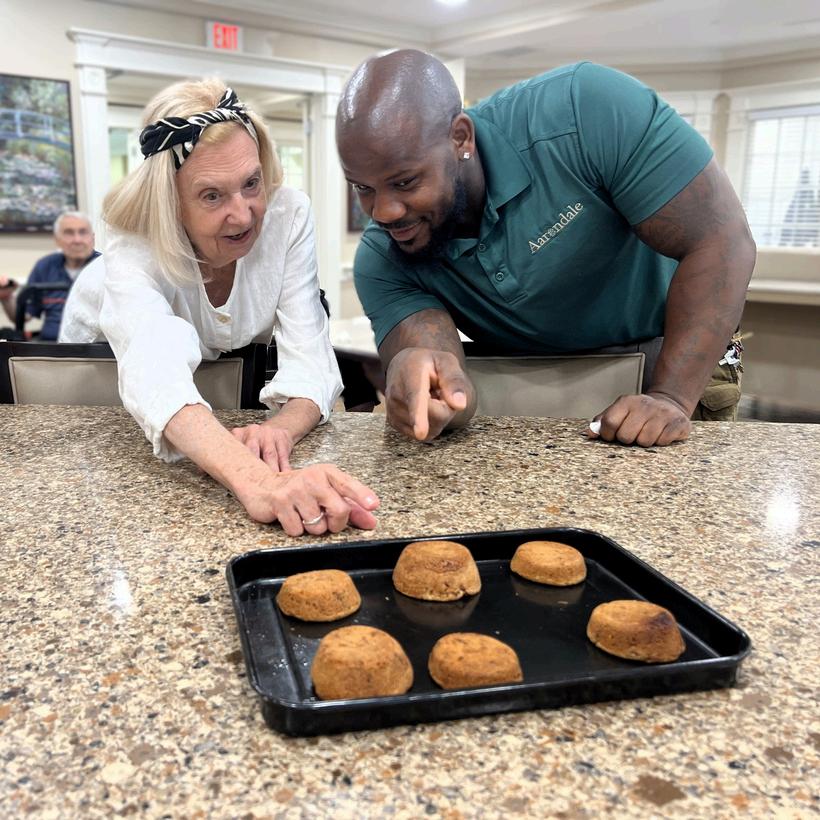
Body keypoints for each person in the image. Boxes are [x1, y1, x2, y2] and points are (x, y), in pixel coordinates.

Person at [336, 51, 756, 448]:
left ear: (460, 138)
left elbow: (721, 239)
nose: (384, 212)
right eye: (362, 187)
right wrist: (427, 385)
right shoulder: (383, 259)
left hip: (673, 359)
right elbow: (451, 389)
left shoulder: (585, 111)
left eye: (405, 182)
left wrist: (670, 397)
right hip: (529, 392)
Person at [73, 78, 378, 535]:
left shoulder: (288, 216)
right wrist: (259, 482)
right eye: (212, 195)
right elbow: (154, 369)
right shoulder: (135, 237)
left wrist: (279, 431)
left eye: (251, 183)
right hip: (100, 381)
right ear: (170, 200)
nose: (243, 214)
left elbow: (310, 354)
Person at [0, 211, 99, 340]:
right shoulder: (45, 266)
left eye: (83, 232)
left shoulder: (106, 267)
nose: (77, 240)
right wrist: (6, 297)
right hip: (49, 346)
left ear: (93, 238)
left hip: (94, 347)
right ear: (57, 240)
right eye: (69, 233)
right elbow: (24, 317)